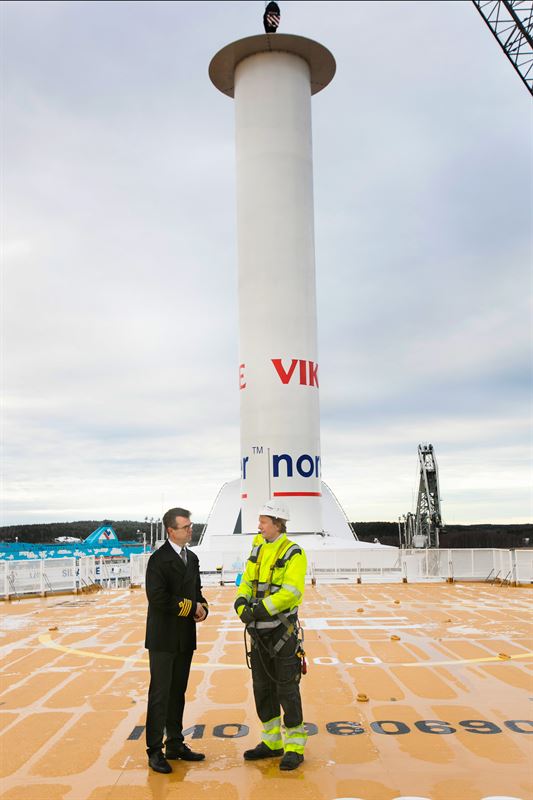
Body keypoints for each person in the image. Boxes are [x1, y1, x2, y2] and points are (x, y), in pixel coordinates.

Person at [234, 500, 308, 771]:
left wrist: (259, 609)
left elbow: (292, 592)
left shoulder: (293, 552)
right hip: (258, 633)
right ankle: (272, 742)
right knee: (262, 688)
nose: (259, 526)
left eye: (263, 522)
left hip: (281, 632)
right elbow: (246, 580)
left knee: (287, 689)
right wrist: (241, 603)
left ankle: (295, 747)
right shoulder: (258, 548)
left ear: (277, 524)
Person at [144, 507, 208, 774]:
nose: (191, 530)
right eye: (186, 527)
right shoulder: (158, 560)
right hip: (163, 637)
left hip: (184, 636)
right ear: (171, 531)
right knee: (160, 694)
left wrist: (203, 607)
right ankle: (154, 750)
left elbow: (196, 591)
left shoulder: (191, 558)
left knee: (177, 692)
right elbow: (157, 597)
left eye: (191, 526)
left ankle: (175, 744)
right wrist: (192, 607)